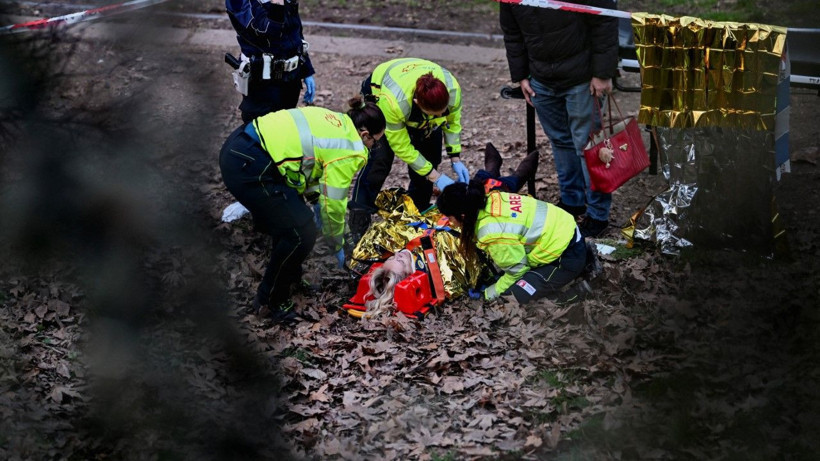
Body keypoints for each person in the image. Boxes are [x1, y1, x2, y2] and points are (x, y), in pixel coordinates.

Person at [219, 96, 385, 322]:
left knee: (294, 220)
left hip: (240, 146)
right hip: (251, 166)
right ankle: (270, 300)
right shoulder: (352, 149)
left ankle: (290, 279)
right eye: (376, 141)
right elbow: (334, 205)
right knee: (300, 232)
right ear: (365, 135)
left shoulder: (339, 122)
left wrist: (316, 199)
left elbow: (312, 167)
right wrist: (337, 241)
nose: (374, 147)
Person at [363, 147, 541, 314]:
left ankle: (493, 168)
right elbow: (469, 265)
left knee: (478, 185)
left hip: (452, 212)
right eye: (401, 262)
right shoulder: (442, 275)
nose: (398, 254)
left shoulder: (408, 248)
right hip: (468, 218)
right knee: (499, 187)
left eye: (394, 257)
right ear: (410, 278)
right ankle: (516, 174)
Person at [500, 0, 619, 237]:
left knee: (590, 148)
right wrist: (521, 75)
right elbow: (512, 34)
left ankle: (597, 214)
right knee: (560, 141)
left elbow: (604, 20)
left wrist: (603, 73)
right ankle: (572, 200)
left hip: (582, 78)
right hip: (541, 80)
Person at [348, 58, 469, 245]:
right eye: (434, 114)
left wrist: (455, 157)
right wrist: (435, 176)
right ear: (416, 102)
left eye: (442, 112)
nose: (439, 116)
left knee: (430, 155)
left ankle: (418, 209)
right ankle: (359, 218)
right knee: (380, 159)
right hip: (381, 93)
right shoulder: (396, 103)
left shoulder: (452, 90)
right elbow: (402, 146)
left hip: (418, 103)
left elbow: (452, 123)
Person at [436, 179, 590, 305]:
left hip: (566, 257)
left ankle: (578, 293)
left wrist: (488, 294)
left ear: (463, 216)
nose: (450, 223)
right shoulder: (493, 198)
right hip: (567, 234)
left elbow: (517, 271)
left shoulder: (492, 232)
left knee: (515, 297)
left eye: (450, 218)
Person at [226, 0, 317, 123]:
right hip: (263, 84)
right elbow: (266, 32)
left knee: (286, 126)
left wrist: (306, 69)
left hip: (289, 80)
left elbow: (295, 31)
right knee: (260, 132)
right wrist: (277, 4)